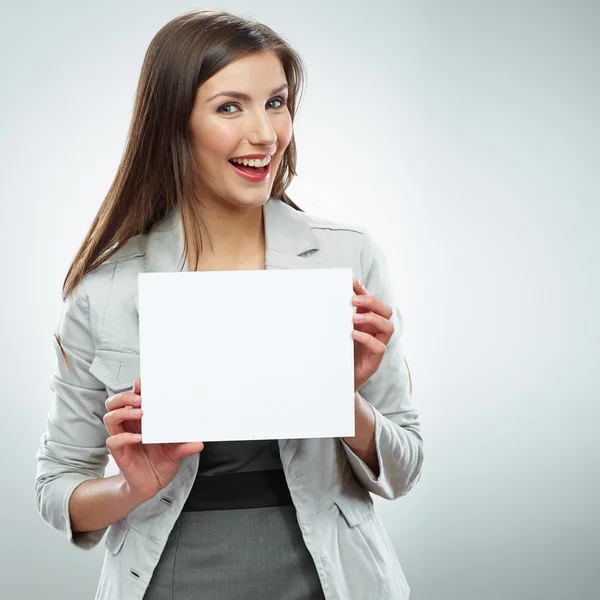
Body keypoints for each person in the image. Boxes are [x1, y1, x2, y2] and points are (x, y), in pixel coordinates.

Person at [34, 9, 423, 600]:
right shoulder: (105, 289)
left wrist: (340, 400)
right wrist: (133, 486)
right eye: (229, 107)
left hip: (328, 574)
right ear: (174, 122)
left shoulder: (347, 260)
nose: (265, 134)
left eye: (276, 102)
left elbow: (405, 467)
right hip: (170, 575)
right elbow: (58, 489)